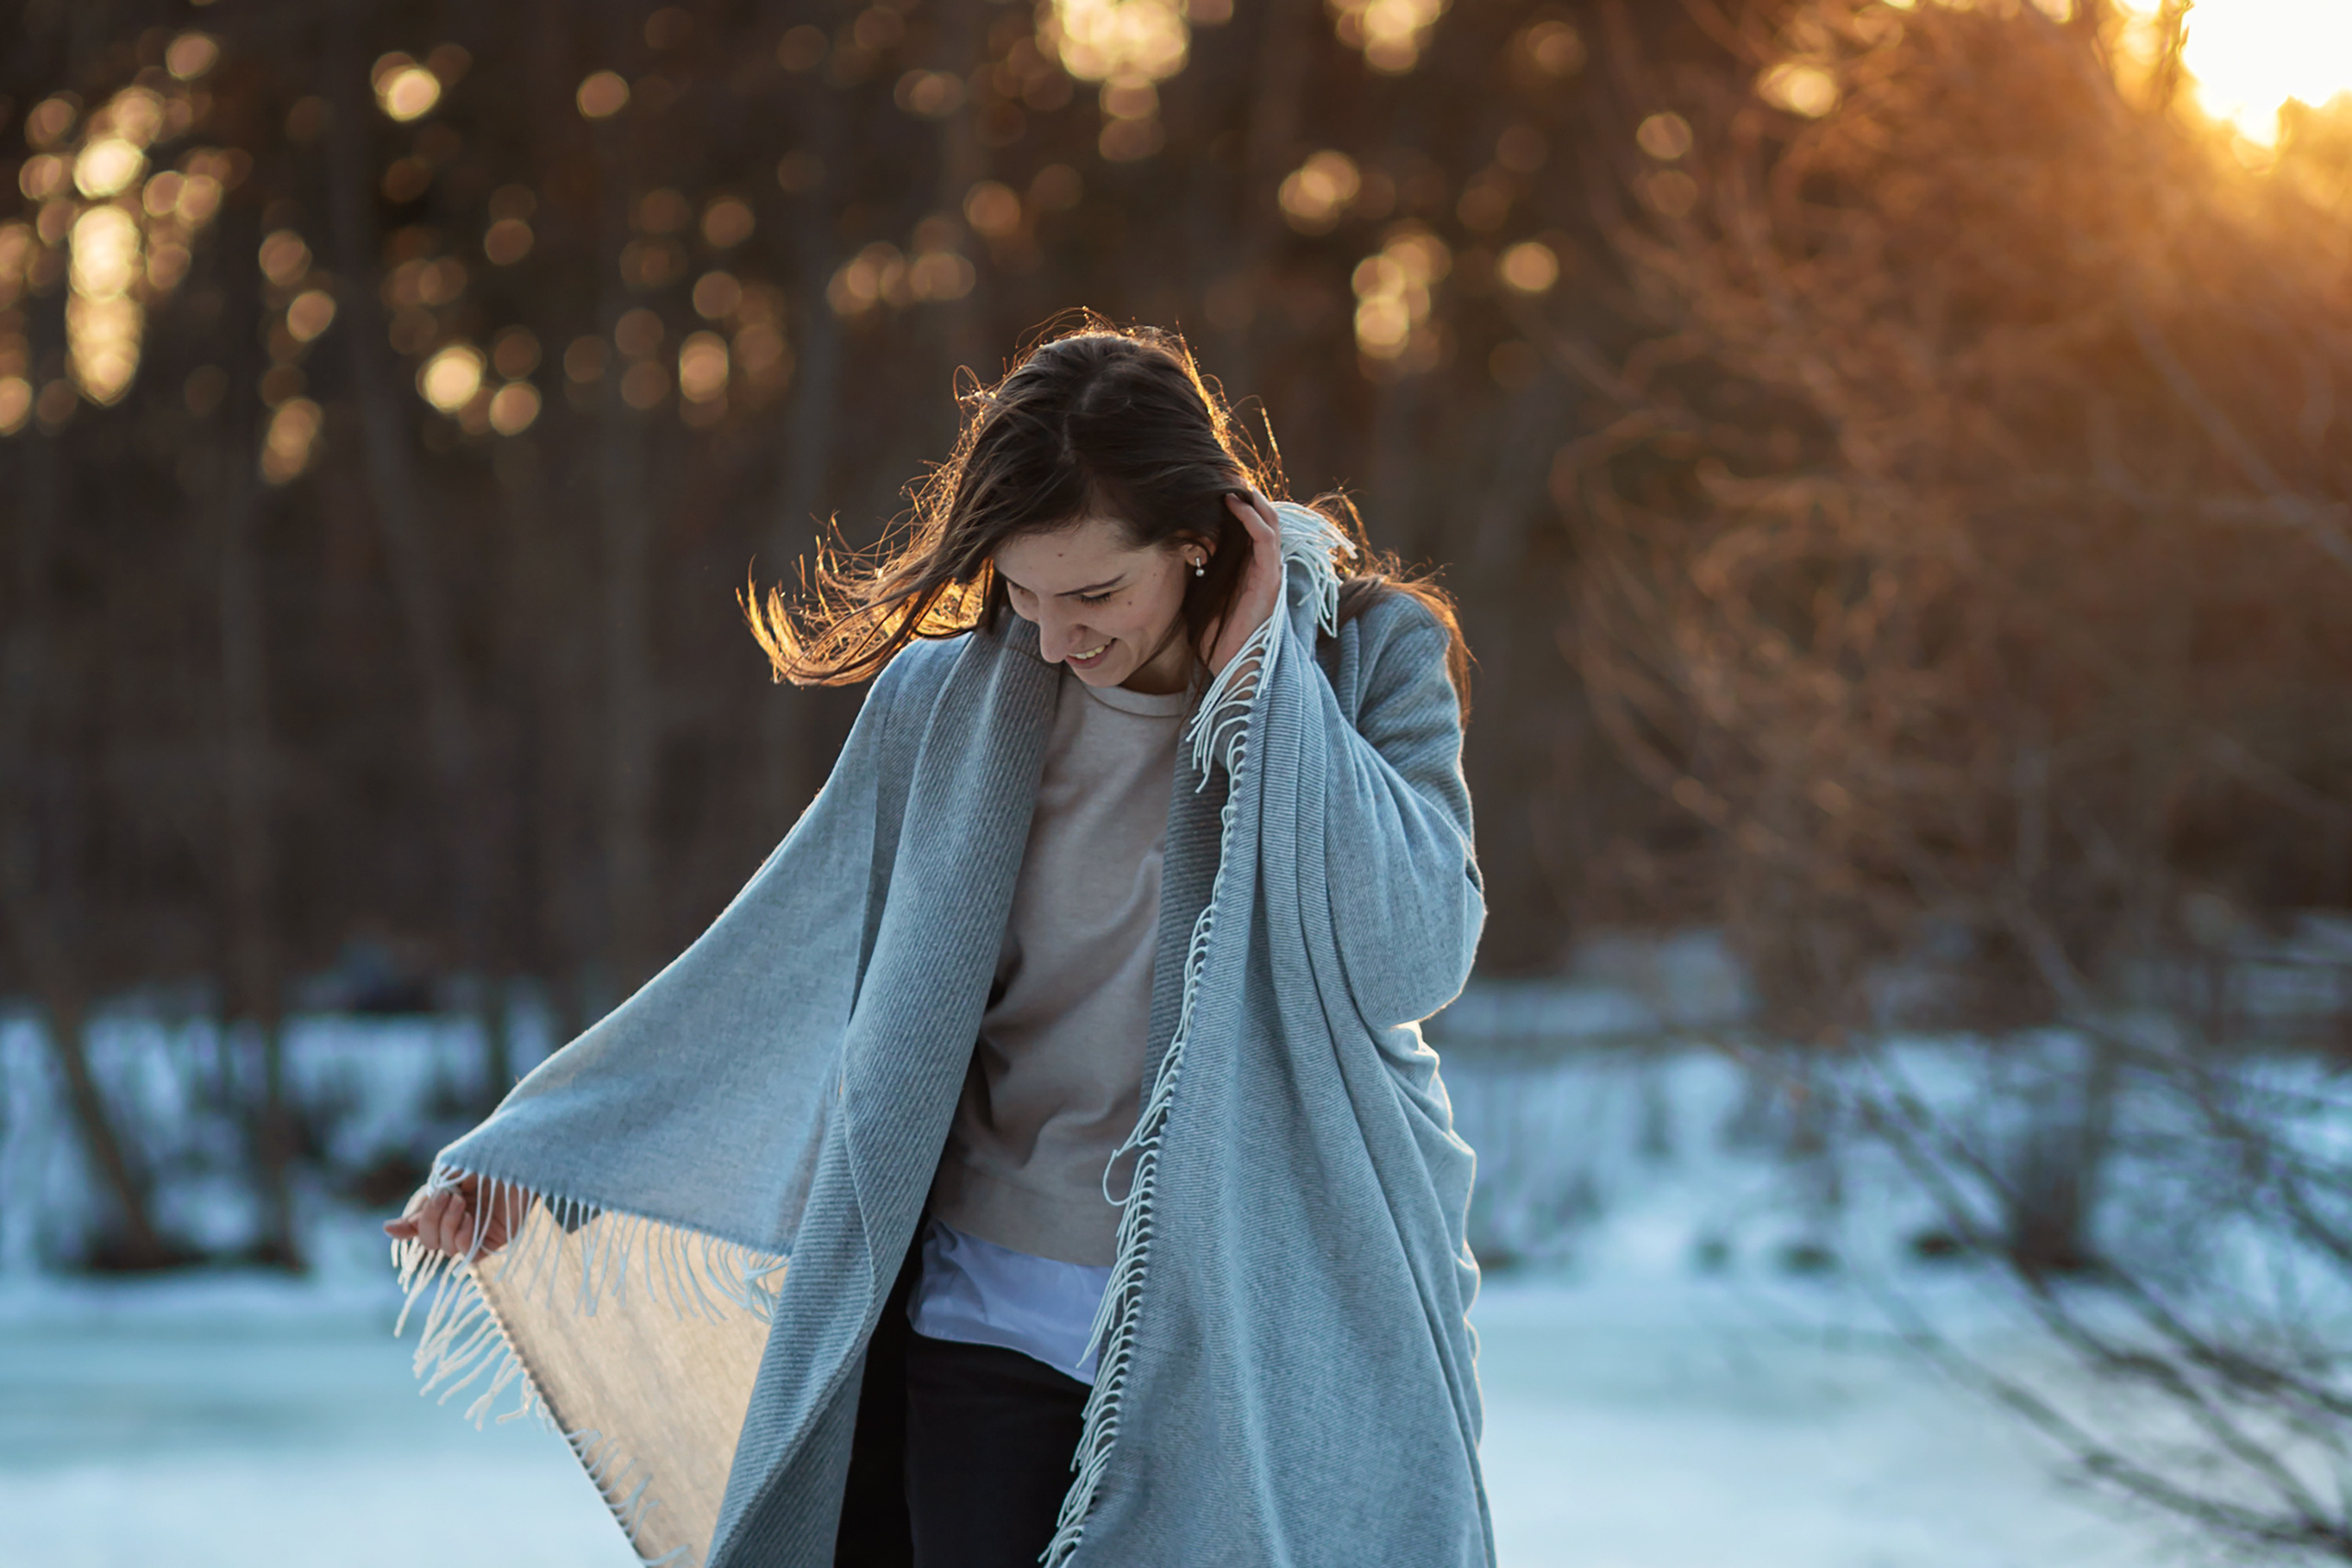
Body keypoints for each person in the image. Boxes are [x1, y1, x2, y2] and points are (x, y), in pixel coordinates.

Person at [385, 322, 1491, 1568]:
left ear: (1198, 543)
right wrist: (547, 1158)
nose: (1056, 637)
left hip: (1258, 1324)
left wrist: (1262, 680)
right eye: (1023, 592)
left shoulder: (1366, 663)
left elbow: (1412, 954)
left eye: (1094, 595)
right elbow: (782, 957)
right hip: (991, 1316)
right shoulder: (948, 704)